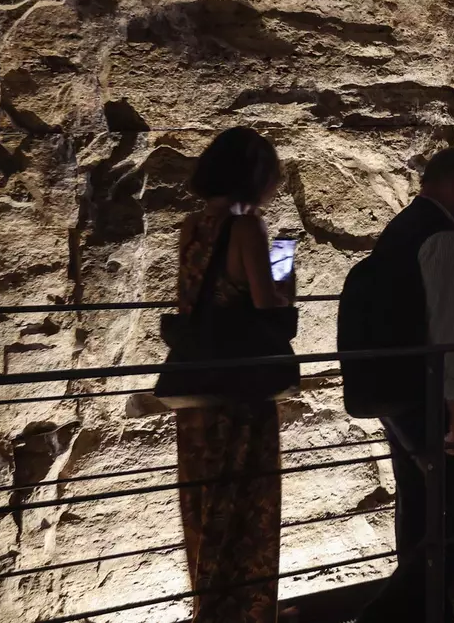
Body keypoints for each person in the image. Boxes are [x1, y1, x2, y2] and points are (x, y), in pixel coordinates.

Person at [356, 146, 454, 623]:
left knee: (420, 514)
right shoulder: (444, 239)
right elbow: (452, 333)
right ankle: (378, 619)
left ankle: (433, 616)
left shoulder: (399, 229)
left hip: (400, 401)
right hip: (437, 406)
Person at [174, 127, 294, 622]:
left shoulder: (191, 226)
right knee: (249, 505)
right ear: (254, 176)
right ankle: (249, 611)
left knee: (207, 506)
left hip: (198, 392)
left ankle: (211, 608)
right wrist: (286, 276)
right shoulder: (247, 229)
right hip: (241, 392)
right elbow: (267, 305)